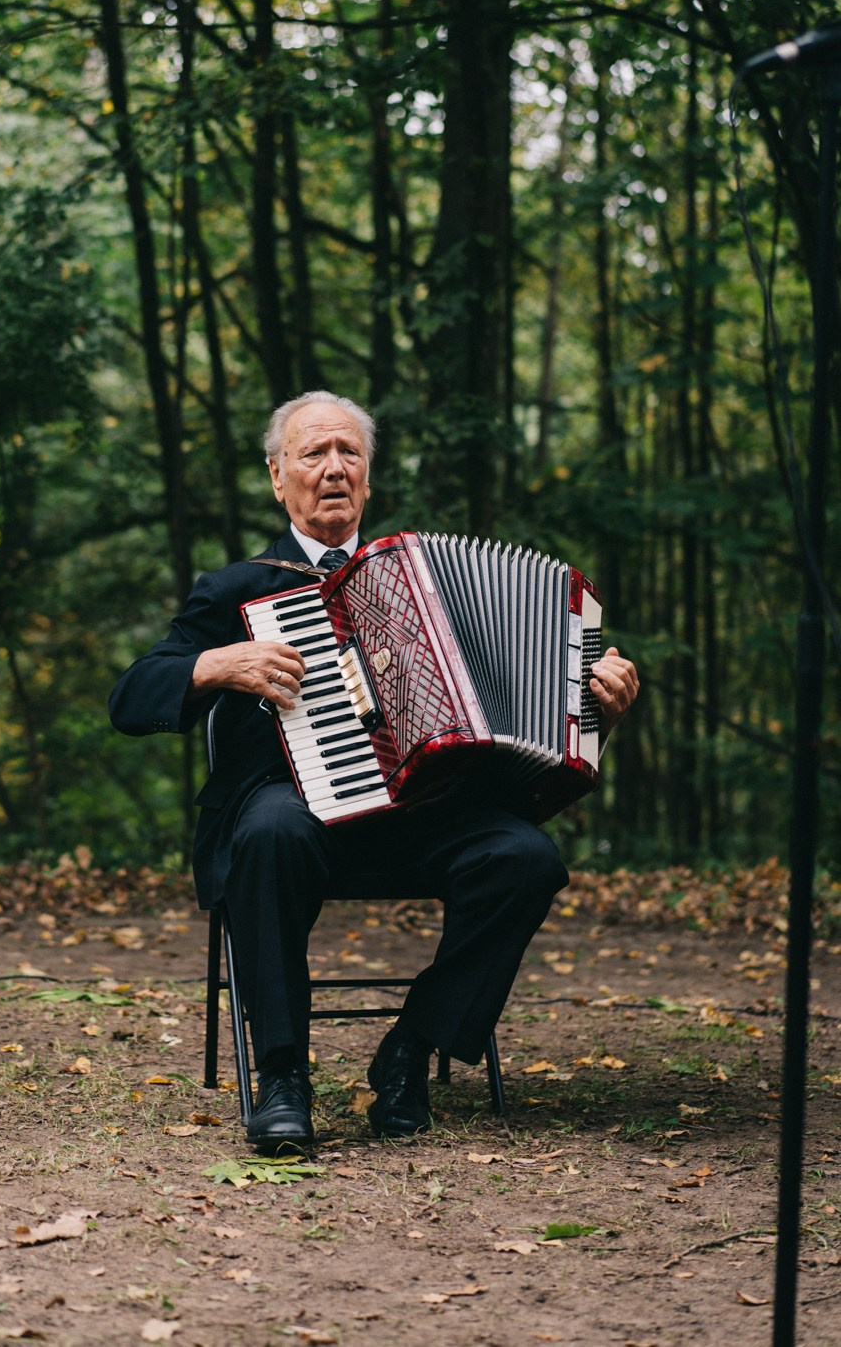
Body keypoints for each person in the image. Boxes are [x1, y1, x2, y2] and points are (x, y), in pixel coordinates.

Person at [109, 391, 639, 1151]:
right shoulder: (237, 589)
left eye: (347, 453)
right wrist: (215, 663)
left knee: (526, 859)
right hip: (296, 818)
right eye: (312, 454)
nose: (332, 469)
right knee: (267, 830)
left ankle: (410, 1049)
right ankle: (283, 1078)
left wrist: (598, 711)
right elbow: (130, 697)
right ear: (276, 476)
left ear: (368, 474)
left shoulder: (421, 576)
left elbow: (534, 736)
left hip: (422, 818)